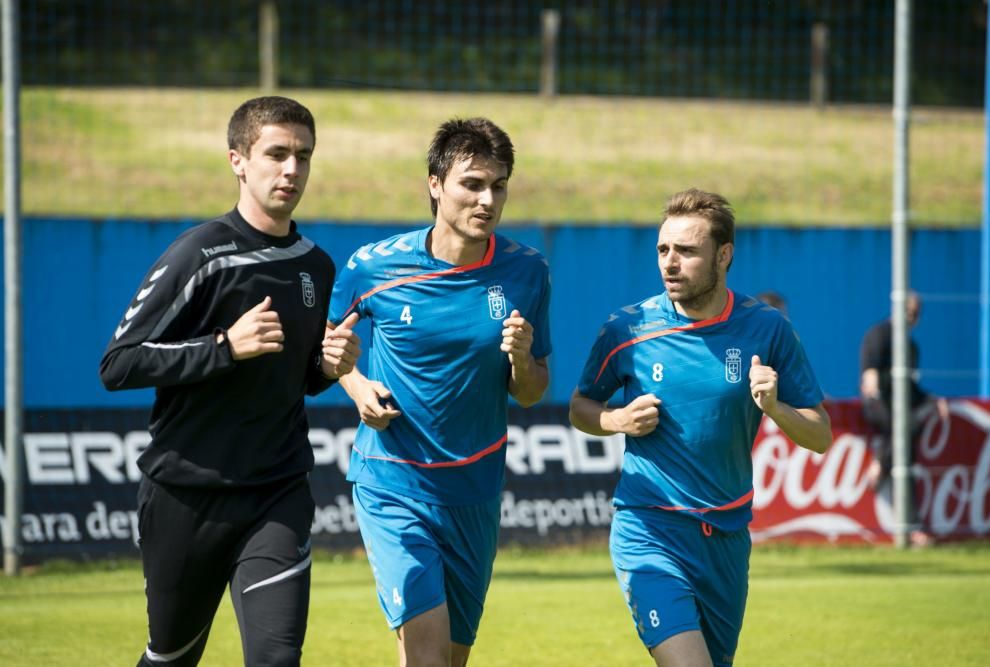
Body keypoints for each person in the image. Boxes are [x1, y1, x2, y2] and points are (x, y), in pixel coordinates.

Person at [99, 96, 362, 667]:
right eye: (276, 153)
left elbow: (298, 380)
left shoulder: (315, 265)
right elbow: (119, 364)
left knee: (275, 657)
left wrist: (328, 367)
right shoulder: (200, 253)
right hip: (186, 497)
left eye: (303, 156)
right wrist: (224, 347)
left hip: (277, 490)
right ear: (238, 160)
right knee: (171, 658)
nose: (291, 169)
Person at [569, 188, 831, 667]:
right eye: (663, 250)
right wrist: (616, 420)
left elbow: (819, 434)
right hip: (649, 528)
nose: (670, 263)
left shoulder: (767, 329)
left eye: (687, 251)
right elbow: (581, 406)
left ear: (724, 255)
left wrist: (775, 407)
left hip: (727, 538)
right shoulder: (626, 329)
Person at [327, 117, 551, 667]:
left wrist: (521, 357)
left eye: (498, 186)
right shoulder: (372, 266)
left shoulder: (528, 271)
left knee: (448, 660)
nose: (487, 199)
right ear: (435, 184)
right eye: (472, 184)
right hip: (393, 483)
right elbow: (330, 350)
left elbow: (531, 393)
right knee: (427, 654)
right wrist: (357, 386)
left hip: (474, 491)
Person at [859, 291, 948, 545]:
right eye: (908, 311)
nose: (912, 317)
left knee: (905, 452)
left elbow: (910, 386)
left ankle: (881, 466)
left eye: (915, 313)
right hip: (877, 404)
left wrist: (932, 399)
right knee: (903, 435)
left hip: (900, 412)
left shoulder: (910, 347)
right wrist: (873, 387)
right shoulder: (879, 334)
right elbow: (870, 375)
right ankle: (913, 526)